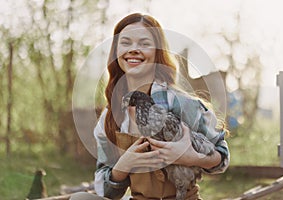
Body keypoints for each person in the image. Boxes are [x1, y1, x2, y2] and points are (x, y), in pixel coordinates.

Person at [71, 13, 229, 200]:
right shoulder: (111, 117)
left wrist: (190, 157)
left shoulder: (183, 104)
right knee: (80, 199)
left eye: (144, 43)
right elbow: (103, 188)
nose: (134, 49)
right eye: (126, 43)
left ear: (157, 52)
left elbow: (222, 156)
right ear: (116, 52)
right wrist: (122, 167)